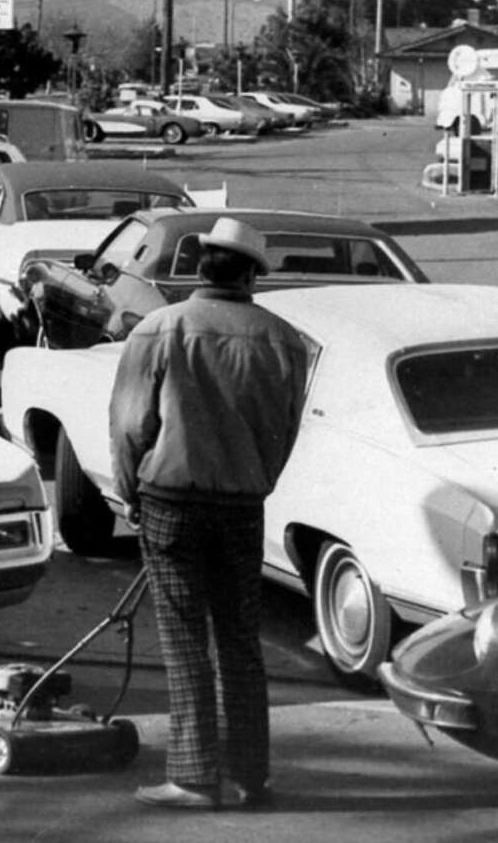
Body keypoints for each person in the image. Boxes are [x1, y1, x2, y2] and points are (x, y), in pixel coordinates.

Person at [109, 216, 307, 811]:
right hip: (242, 504)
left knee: (185, 638)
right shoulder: (284, 339)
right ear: (252, 277)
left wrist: (130, 494)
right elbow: (284, 430)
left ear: (200, 267)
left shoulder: (160, 328)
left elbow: (130, 425)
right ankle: (250, 775)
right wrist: (258, 482)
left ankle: (194, 778)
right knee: (241, 642)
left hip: (171, 499)